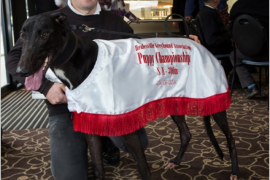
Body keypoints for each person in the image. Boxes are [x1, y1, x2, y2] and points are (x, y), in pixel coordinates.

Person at [6, 0, 148, 179]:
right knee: (69, 176)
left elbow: (138, 58)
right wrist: (46, 87)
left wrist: (179, 41)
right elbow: (13, 60)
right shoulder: (46, 21)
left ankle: (105, 142)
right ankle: (87, 143)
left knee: (139, 143)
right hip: (66, 110)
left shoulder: (116, 22)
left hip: (109, 106)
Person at [229, 0, 270, 99]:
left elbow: (232, 31)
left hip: (247, 52)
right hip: (267, 53)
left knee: (233, 56)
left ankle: (251, 87)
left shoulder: (237, 6)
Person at [195, 0, 233, 77]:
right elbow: (211, 40)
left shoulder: (205, 12)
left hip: (211, 47)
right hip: (214, 48)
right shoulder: (209, 14)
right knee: (241, 53)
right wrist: (230, 41)